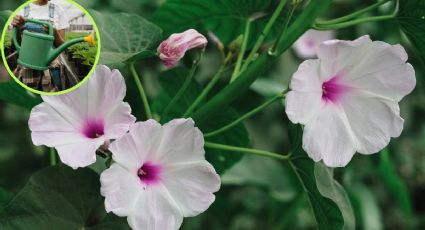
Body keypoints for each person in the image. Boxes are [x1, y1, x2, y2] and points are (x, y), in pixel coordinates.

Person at [11, 0, 68, 91]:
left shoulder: (58, 10)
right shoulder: (21, 9)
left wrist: (54, 33)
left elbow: (62, 47)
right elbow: (14, 45)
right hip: (27, 64)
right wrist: (17, 28)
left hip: (51, 65)